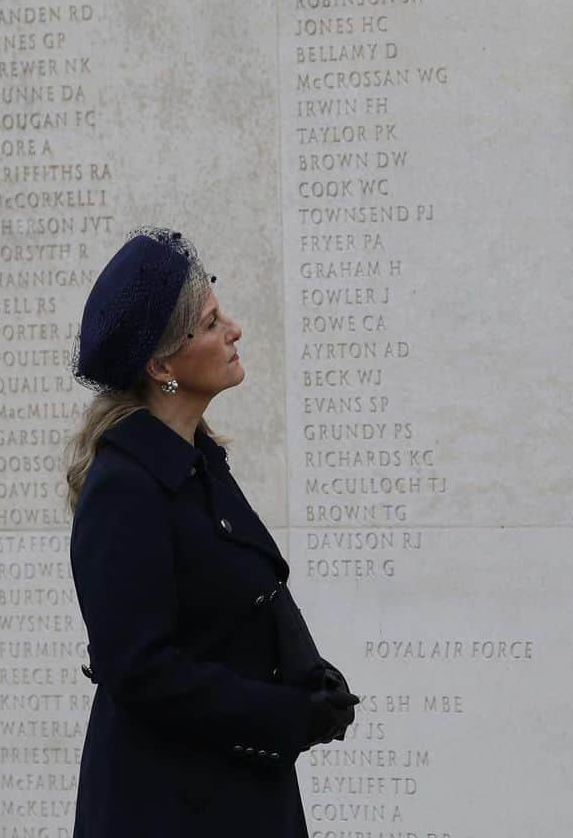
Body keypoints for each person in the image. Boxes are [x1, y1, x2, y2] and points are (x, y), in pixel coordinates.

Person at [63, 226, 359, 837]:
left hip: (235, 797)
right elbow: (140, 670)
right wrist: (283, 715)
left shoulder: (197, 461)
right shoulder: (126, 486)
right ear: (163, 364)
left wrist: (310, 675)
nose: (235, 329)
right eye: (211, 321)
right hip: (168, 808)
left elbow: (249, 596)